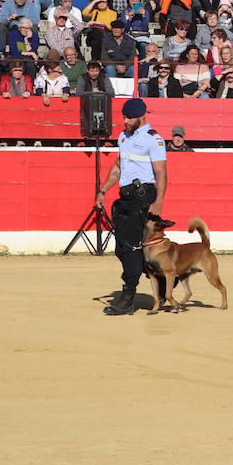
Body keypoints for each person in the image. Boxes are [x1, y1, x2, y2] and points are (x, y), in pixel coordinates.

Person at [95, 98, 168, 316]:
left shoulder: (153, 139)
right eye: (124, 117)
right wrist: (103, 190)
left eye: (129, 118)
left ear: (141, 117)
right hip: (126, 199)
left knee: (133, 248)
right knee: (122, 248)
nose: (125, 121)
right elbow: (118, 167)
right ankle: (162, 285)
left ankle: (128, 299)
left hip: (143, 197)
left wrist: (159, 201)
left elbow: (161, 173)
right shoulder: (123, 137)